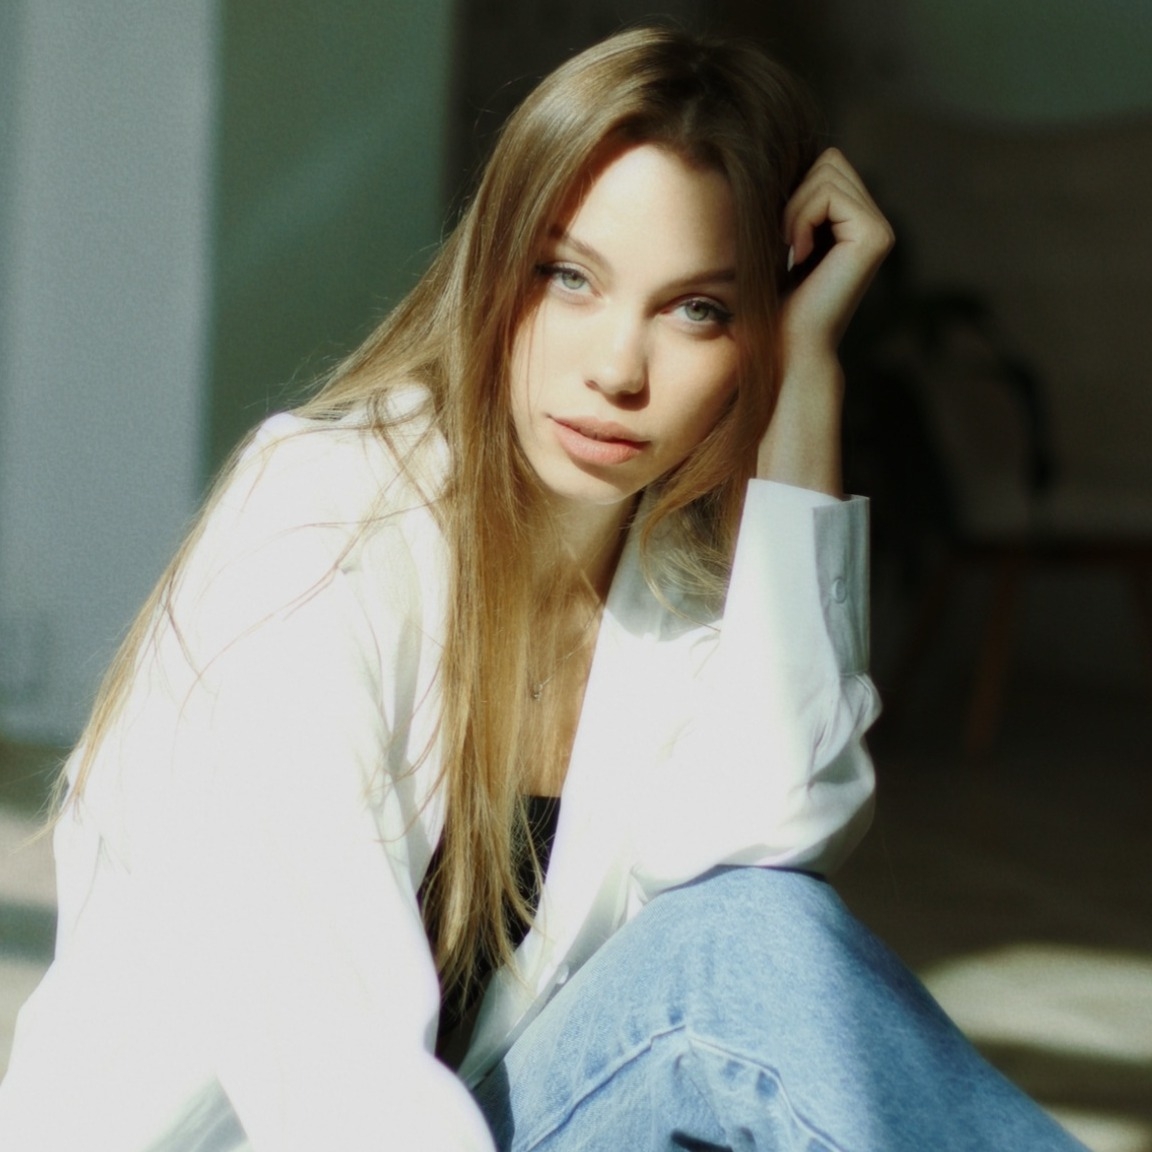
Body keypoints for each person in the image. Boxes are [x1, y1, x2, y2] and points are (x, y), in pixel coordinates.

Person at [0, 25, 1085, 1152]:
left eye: (698, 310)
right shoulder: (322, 522)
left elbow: (779, 821)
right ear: (495, 268)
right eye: (571, 278)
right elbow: (333, 1070)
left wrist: (807, 374)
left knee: (749, 929)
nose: (617, 369)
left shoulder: (671, 592)